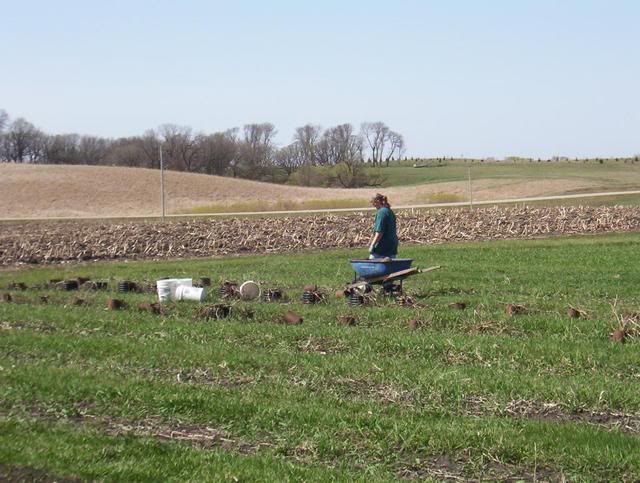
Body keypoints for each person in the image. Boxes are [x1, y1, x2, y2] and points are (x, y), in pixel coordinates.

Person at [368, 193, 398, 259]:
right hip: (392, 245)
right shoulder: (389, 211)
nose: (373, 205)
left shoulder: (381, 212)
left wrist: (372, 245)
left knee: (373, 264)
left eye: (373, 203)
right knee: (391, 266)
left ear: (378, 201)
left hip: (382, 246)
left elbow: (379, 232)